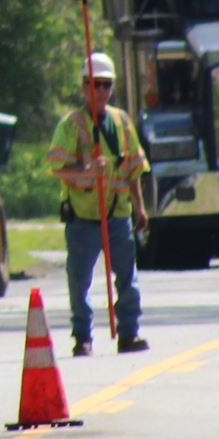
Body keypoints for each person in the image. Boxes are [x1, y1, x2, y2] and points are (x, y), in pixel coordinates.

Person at [46, 52, 151, 357]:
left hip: (117, 214)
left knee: (127, 278)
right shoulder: (72, 124)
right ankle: (83, 337)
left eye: (106, 84)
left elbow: (134, 168)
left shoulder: (121, 122)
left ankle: (129, 333)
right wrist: (87, 171)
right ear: (84, 86)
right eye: (95, 84)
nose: (101, 91)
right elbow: (56, 167)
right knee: (79, 280)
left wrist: (139, 206)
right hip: (83, 217)